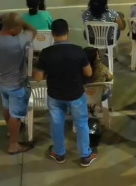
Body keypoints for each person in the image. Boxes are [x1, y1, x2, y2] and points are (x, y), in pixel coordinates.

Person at [33, 19, 97, 166]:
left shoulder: (46, 53)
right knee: (81, 124)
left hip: (55, 95)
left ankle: (59, 153)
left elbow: (38, 78)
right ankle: (85, 156)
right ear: (68, 32)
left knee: (56, 123)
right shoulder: (78, 50)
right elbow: (88, 72)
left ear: (52, 34)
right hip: (76, 94)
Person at [0, 13, 36, 155]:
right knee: (16, 115)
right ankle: (13, 145)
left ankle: (10, 131)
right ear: (13, 28)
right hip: (17, 84)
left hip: (1, 80)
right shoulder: (19, 41)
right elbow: (33, 31)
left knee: (6, 107)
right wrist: (24, 24)